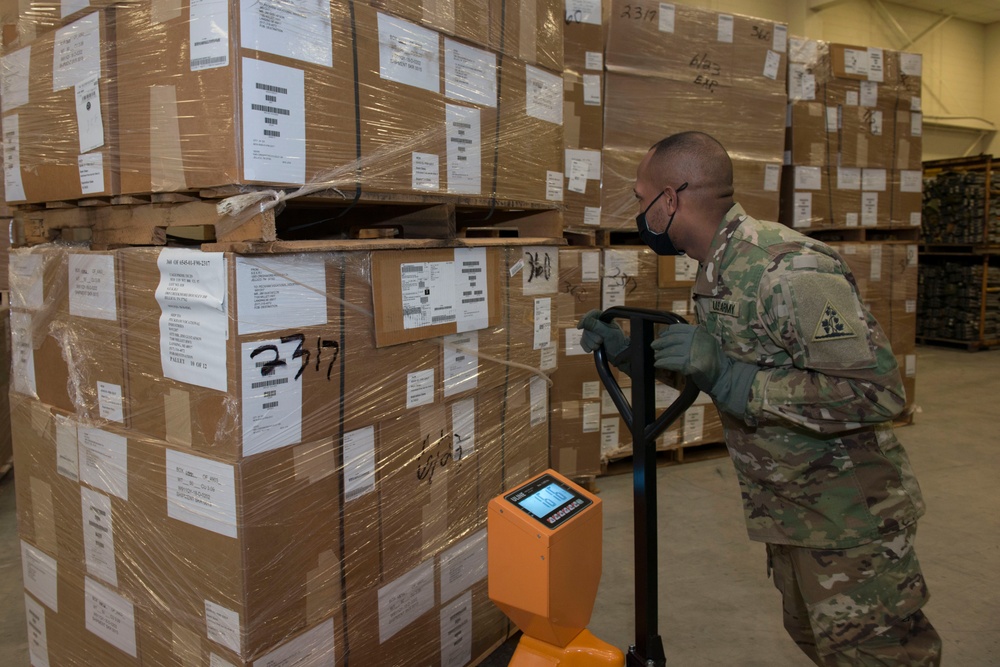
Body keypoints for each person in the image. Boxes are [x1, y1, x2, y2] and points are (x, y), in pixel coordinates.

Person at [577, 131, 941, 666]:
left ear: (670, 200)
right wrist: (634, 356)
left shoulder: (789, 267)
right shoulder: (717, 270)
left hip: (850, 522)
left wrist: (732, 376)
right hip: (791, 512)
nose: (638, 210)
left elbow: (875, 392)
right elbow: (726, 373)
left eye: (640, 197)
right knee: (817, 642)